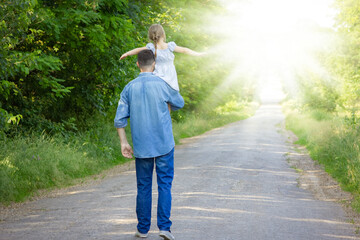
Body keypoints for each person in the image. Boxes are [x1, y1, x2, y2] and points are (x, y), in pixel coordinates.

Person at [114, 49, 184, 240]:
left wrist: (124, 143)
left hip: (142, 146)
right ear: (154, 64)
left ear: (137, 64)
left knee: (143, 186)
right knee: (164, 185)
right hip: (164, 144)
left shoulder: (129, 88)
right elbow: (179, 102)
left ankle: (143, 229)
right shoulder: (163, 84)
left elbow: (119, 120)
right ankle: (164, 228)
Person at [120, 24, 205, 92]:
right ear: (163, 35)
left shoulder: (152, 47)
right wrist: (198, 54)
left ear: (151, 36)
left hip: (157, 76)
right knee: (169, 100)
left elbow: (138, 50)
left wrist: (127, 53)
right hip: (170, 77)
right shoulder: (169, 46)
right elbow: (185, 50)